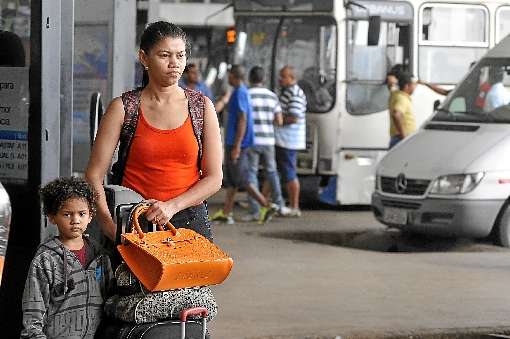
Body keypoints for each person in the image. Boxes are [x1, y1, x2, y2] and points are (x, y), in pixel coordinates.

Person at [85, 21, 223, 241]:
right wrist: (109, 226)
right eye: (165, 55)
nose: (174, 63)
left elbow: (214, 178)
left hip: (189, 223)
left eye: (180, 55)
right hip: (135, 223)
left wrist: (171, 206)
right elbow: (93, 176)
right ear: (144, 58)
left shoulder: (202, 107)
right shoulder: (123, 108)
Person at [20, 177, 113, 338]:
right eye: (67, 214)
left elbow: (111, 302)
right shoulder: (45, 260)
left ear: (90, 215)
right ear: (52, 217)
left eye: (82, 213)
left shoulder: (101, 257)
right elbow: (32, 317)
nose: (75, 220)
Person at [242, 66, 290, 222]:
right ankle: (279, 204)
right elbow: (279, 121)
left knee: (252, 174)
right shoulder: (272, 96)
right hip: (268, 140)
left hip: (251, 141)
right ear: (263, 79)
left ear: (250, 79)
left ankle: (255, 211)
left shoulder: (247, 95)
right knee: (271, 172)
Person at [209, 64, 254, 224]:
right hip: (234, 141)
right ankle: (226, 212)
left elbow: (243, 119)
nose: (228, 78)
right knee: (234, 179)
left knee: (240, 179)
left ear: (234, 76)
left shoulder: (240, 93)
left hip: (236, 142)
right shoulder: (238, 92)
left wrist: (237, 145)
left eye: (229, 75)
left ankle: (265, 205)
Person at [275, 65, 307, 217]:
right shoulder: (286, 92)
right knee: (275, 171)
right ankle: (270, 202)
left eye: (284, 77)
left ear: (292, 78)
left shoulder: (295, 93)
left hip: (289, 140)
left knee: (289, 173)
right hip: (283, 139)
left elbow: (294, 117)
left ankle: (295, 206)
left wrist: (278, 121)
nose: (280, 80)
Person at [389, 72, 417, 148]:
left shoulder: (395, 94)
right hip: (401, 139)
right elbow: (396, 114)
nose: (415, 87)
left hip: (397, 138)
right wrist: (404, 138)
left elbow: (391, 83)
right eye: (414, 84)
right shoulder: (402, 98)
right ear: (407, 86)